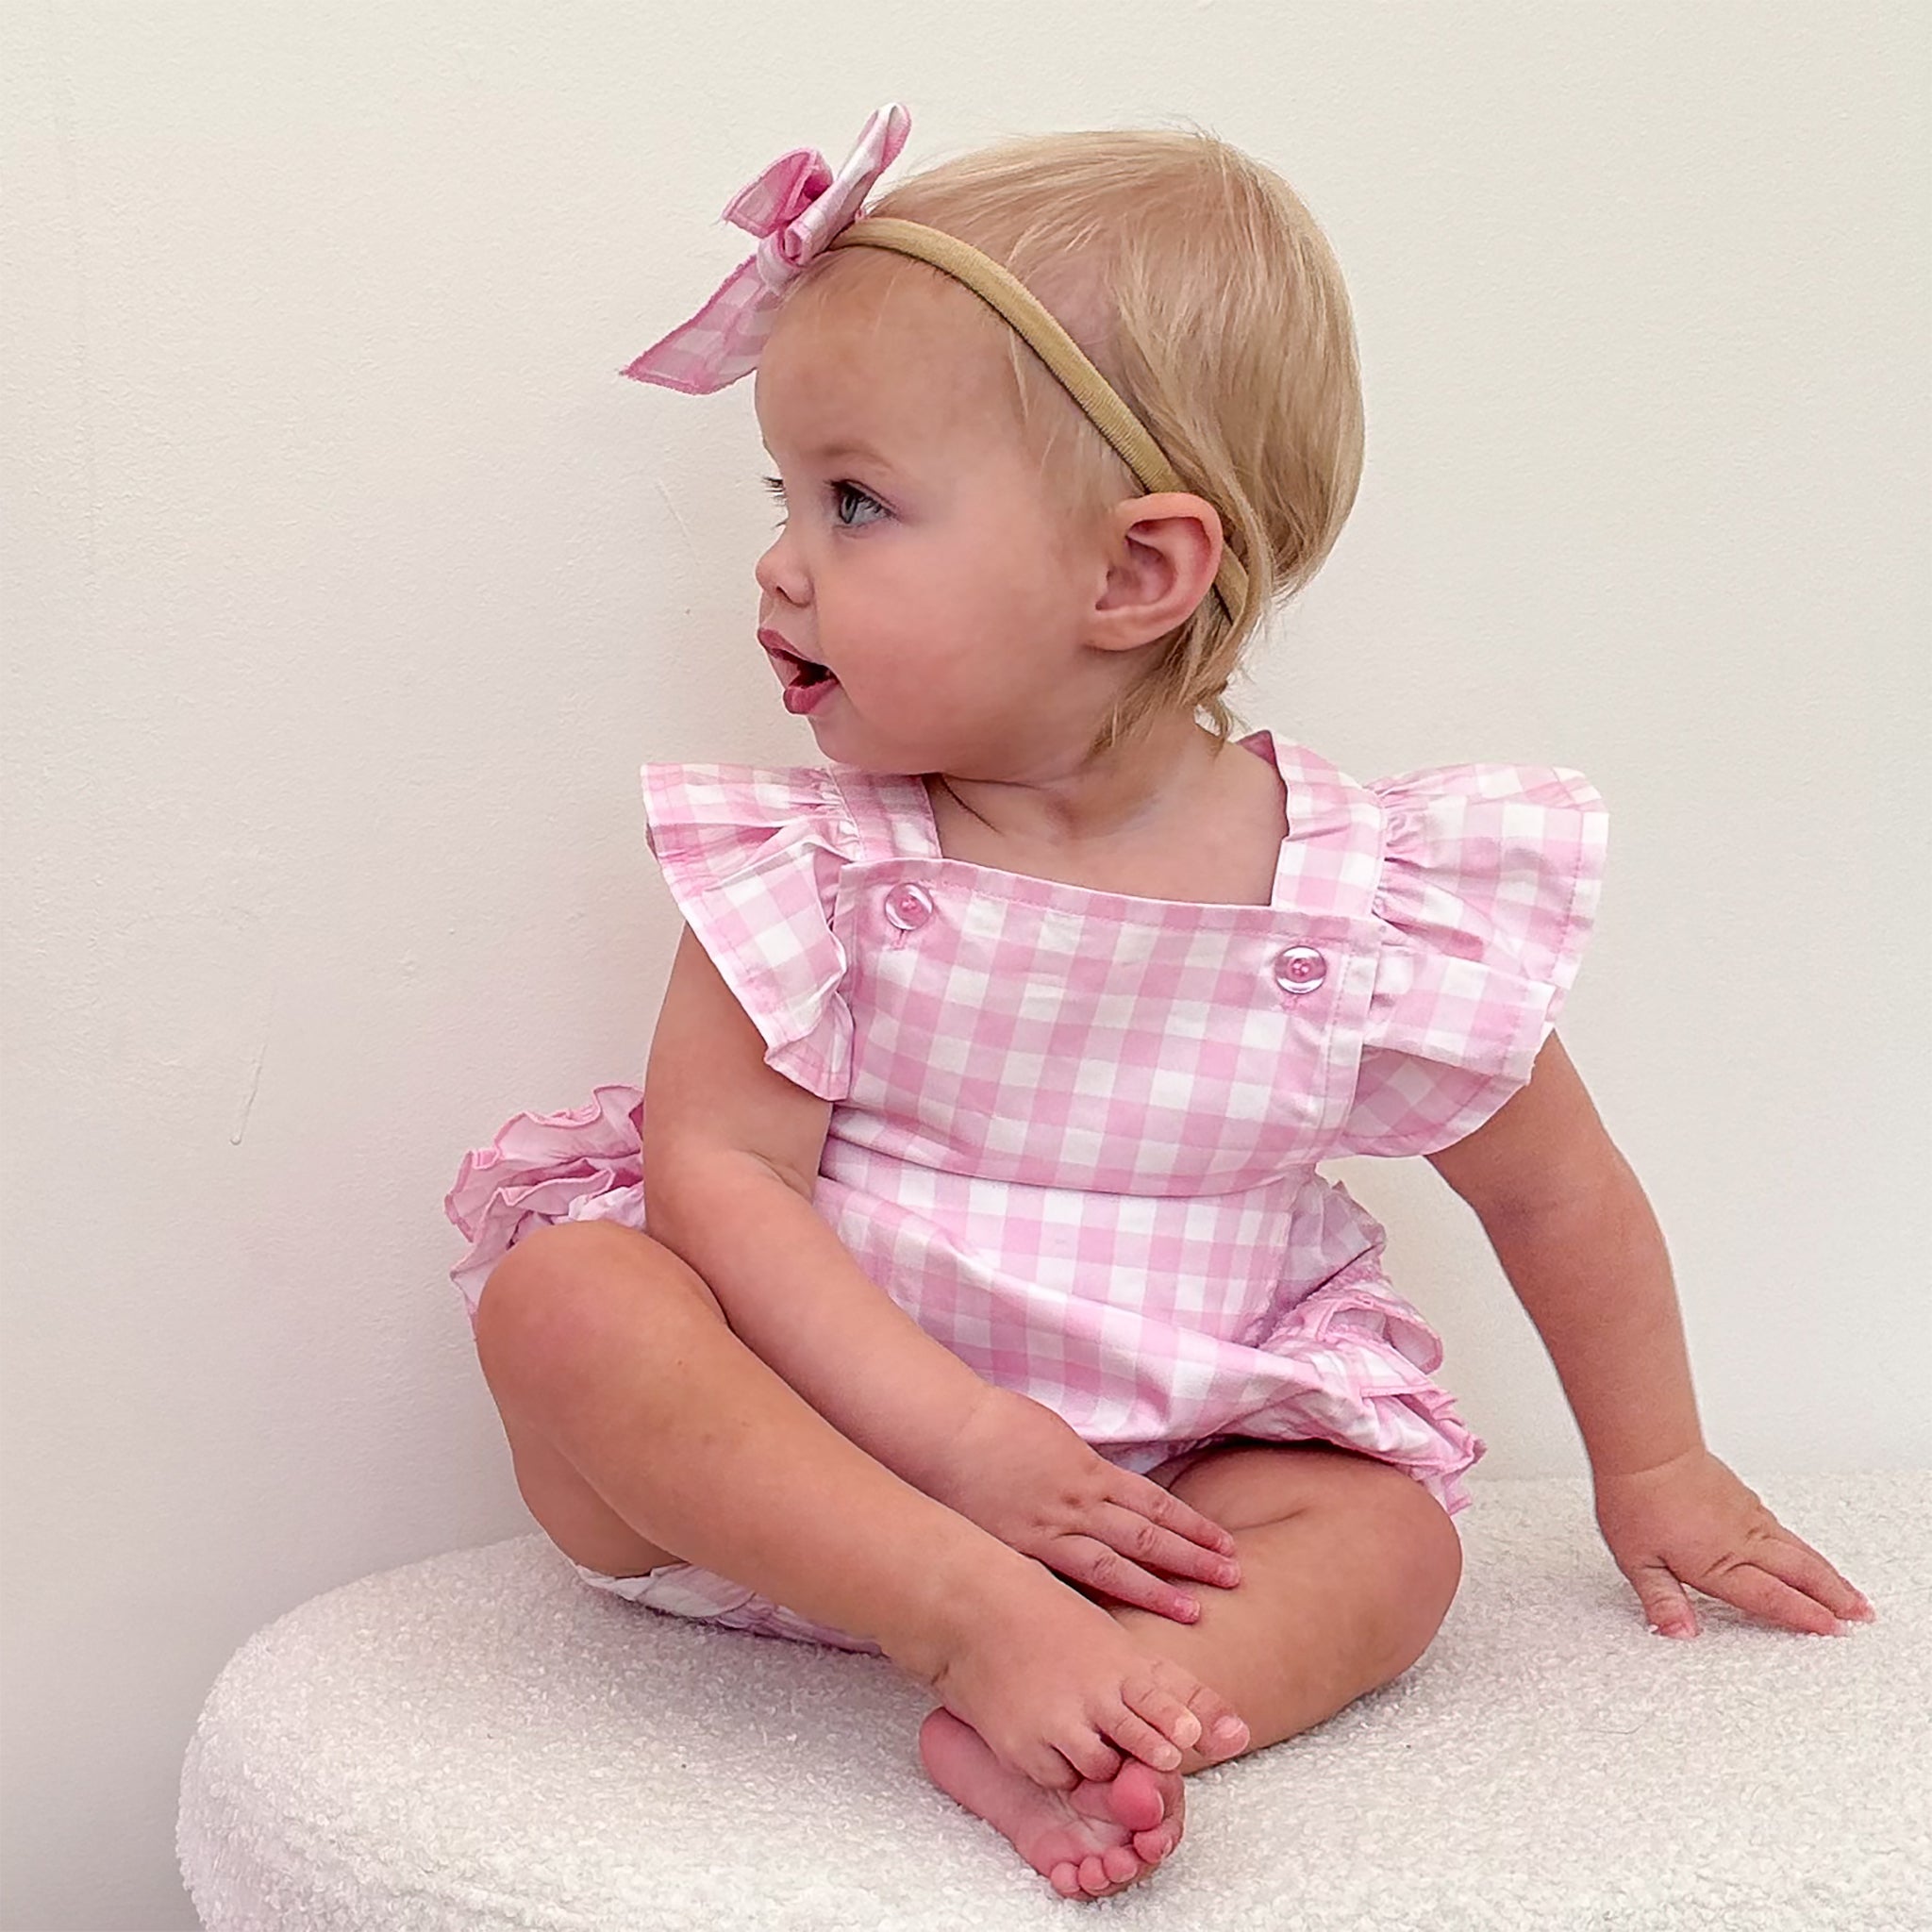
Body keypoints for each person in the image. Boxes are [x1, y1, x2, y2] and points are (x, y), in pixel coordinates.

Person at [444, 105, 1874, 1903]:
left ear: (1132, 572)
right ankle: (961, 1616)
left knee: (1392, 1545)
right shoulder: (815, 861)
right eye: (783, 498)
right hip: (809, 1468)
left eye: (855, 502)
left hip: (1160, 1495)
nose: (781, 564)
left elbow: (1554, 1189)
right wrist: (962, 1448)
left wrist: (1655, 1465)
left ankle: (1099, 1715)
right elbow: (720, 1173)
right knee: (574, 1300)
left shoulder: (1363, 898)